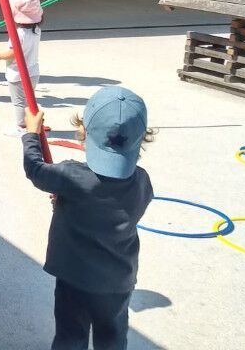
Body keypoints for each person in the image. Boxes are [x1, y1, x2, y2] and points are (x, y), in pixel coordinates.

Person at [22, 87, 154, 349]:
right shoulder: (142, 180)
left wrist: (31, 133)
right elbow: (117, 207)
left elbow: (35, 169)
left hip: (75, 278)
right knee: (112, 338)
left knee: (71, 335)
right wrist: (73, 202)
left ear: (84, 132)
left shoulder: (72, 176)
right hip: (118, 281)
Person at [0, 0, 43, 137]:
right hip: (33, 71)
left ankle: (21, 127)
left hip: (18, 74)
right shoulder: (36, 30)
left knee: (19, 103)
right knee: (28, 100)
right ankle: (31, 122)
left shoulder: (19, 34)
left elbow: (12, 53)